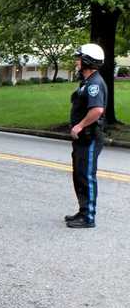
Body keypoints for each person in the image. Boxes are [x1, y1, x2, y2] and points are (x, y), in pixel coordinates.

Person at [65, 43, 107, 229]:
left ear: (88, 61)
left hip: (90, 138)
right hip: (83, 139)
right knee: (79, 175)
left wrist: (80, 126)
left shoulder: (95, 84)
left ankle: (88, 217)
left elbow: (97, 110)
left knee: (87, 176)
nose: (76, 61)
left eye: (79, 58)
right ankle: (83, 211)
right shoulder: (87, 82)